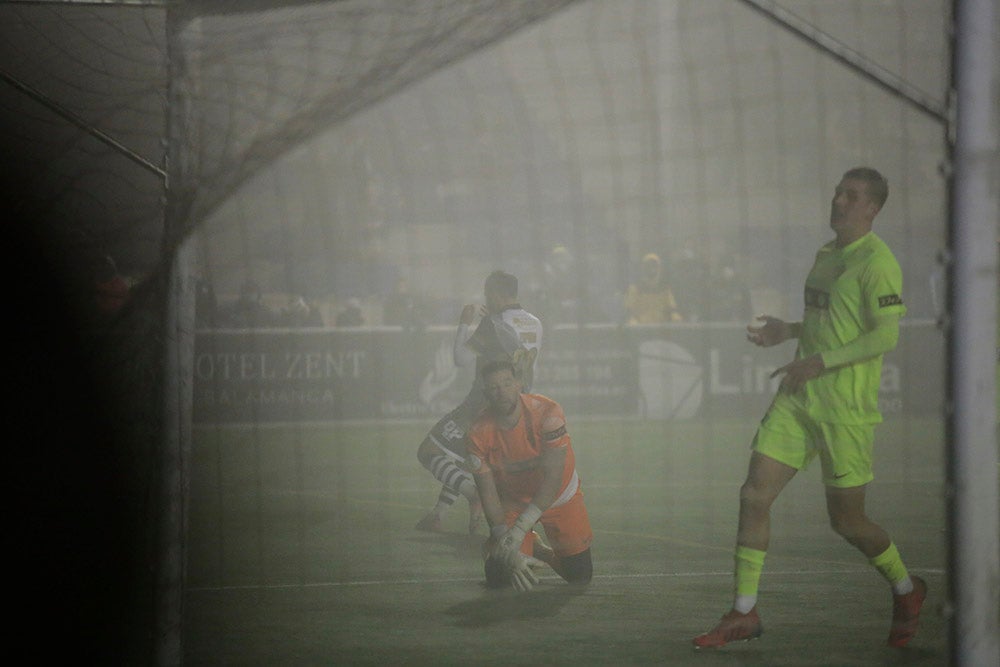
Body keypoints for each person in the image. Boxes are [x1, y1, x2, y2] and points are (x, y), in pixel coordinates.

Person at [691, 167, 925, 648]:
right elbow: (831, 319)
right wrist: (791, 332)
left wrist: (821, 361)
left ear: (871, 209)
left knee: (847, 522)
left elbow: (885, 334)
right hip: (797, 400)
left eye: (852, 195)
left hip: (845, 411)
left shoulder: (878, 262)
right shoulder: (827, 253)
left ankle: (907, 589)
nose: (838, 199)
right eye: (838, 190)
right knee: (754, 496)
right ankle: (743, 612)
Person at [415, 270, 543, 534]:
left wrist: (465, 323)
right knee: (466, 455)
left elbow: (460, 359)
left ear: (496, 293)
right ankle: (438, 514)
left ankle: (475, 496)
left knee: (429, 451)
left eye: (487, 294)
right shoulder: (535, 323)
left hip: (484, 403)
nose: (486, 299)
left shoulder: (493, 323)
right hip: (518, 406)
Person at [467, 359, 593, 591]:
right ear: (486, 392)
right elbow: (488, 493)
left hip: (559, 494)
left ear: (519, 384)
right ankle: (528, 547)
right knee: (499, 577)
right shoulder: (477, 433)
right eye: (494, 387)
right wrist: (505, 541)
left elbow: (553, 478)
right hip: (513, 501)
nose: (501, 392)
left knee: (579, 576)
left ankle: (538, 550)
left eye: (506, 383)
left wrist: (521, 528)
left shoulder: (548, 413)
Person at [623, 252, 683, 324]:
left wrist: (675, 317)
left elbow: (672, 309)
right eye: (648, 265)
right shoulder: (635, 289)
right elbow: (629, 312)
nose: (652, 268)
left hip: (661, 331)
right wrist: (632, 321)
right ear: (643, 268)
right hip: (641, 330)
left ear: (659, 268)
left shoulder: (664, 289)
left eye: (654, 265)